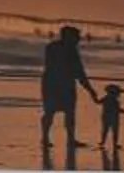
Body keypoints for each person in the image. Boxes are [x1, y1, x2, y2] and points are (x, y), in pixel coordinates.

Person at [38, 24, 94, 161]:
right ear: (68, 37)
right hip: (59, 84)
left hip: (52, 82)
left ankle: (49, 138)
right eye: (76, 37)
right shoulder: (68, 50)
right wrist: (90, 90)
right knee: (61, 112)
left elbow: (77, 71)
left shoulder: (51, 47)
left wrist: (89, 89)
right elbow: (79, 72)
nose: (79, 39)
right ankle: (60, 138)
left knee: (53, 112)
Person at [94, 82, 124, 166]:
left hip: (105, 117)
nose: (119, 95)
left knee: (105, 130)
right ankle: (114, 144)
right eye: (118, 93)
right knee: (114, 131)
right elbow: (117, 109)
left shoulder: (105, 98)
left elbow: (97, 102)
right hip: (114, 117)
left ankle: (103, 142)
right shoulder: (114, 100)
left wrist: (94, 96)